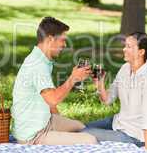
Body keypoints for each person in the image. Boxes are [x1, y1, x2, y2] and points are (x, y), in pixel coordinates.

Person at [12, 16, 98, 145]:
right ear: (50, 39)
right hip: (33, 134)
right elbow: (52, 99)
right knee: (90, 140)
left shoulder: (43, 60)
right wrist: (73, 78)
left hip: (43, 121)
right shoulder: (37, 65)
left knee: (79, 126)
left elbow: (48, 102)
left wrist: (58, 119)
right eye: (62, 40)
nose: (64, 45)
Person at [83, 32, 147, 152]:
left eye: (129, 47)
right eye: (125, 45)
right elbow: (108, 100)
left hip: (132, 136)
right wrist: (100, 84)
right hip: (117, 122)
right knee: (81, 127)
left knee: (83, 134)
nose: (124, 49)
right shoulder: (125, 68)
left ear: (141, 52)